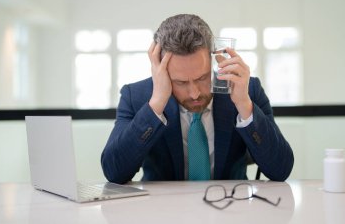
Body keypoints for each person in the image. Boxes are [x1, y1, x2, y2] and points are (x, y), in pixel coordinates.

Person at [101, 14, 294, 184]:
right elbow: (114, 172)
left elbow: (280, 170)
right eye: (181, 82)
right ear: (161, 70)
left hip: (232, 209)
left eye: (202, 78)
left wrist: (244, 105)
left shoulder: (246, 89)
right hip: (162, 212)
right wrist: (157, 104)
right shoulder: (136, 96)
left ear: (214, 61)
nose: (194, 93)